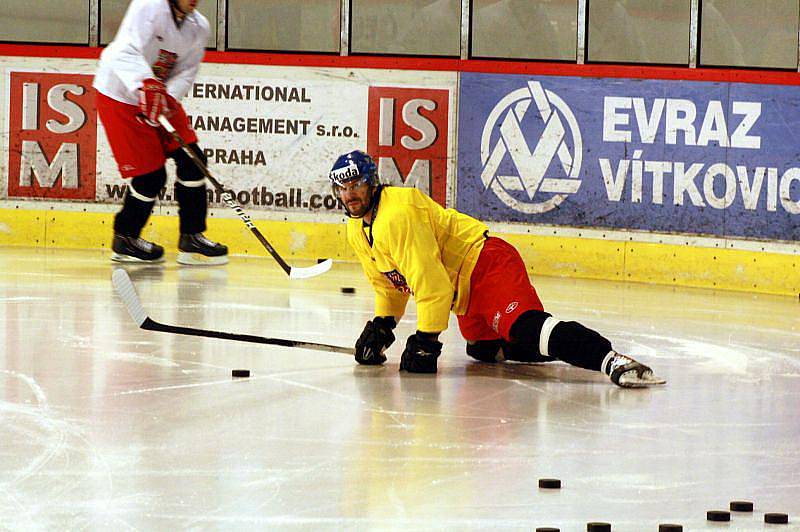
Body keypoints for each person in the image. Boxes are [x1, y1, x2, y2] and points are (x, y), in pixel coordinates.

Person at [328, 150, 666, 388]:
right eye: (342, 188)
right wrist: (383, 327)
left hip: (485, 264)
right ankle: (549, 347)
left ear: (372, 182)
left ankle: (612, 360)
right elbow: (389, 283)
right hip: (463, 293)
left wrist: (426, 340)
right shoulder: (358, 228)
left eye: (356, 185)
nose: (350, 195)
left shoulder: (396, 214)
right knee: (481, 349)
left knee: (525, 327)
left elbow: (431, 284)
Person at [94, 0, 227, 265]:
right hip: (120, 94)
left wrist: (166, 99)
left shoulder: (199, 26)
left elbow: (187, 71)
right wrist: (145, 84)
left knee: (193, 160)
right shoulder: (149, 6)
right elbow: (123, 50)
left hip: (160, 95)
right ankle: (126, 238)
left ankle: (192, 237)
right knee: (151, 176)